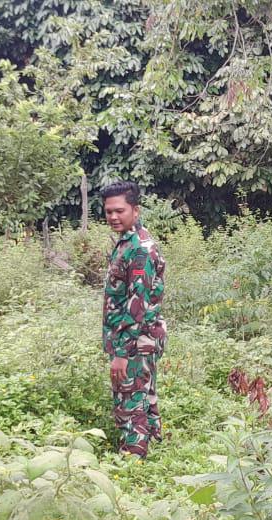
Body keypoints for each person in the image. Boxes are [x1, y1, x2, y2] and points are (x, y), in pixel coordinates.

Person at [101, 181, 166, 458]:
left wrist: (122, 354)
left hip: (135, 341)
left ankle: (132, 459)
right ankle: (155, 447)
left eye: (120, 211)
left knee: (130, 402)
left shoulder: (139, 249)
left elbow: (136, 306)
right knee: (144, 395)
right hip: (139, 339)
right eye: (108, 212)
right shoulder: (127, 242)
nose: (113, 217)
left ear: (135, 210)